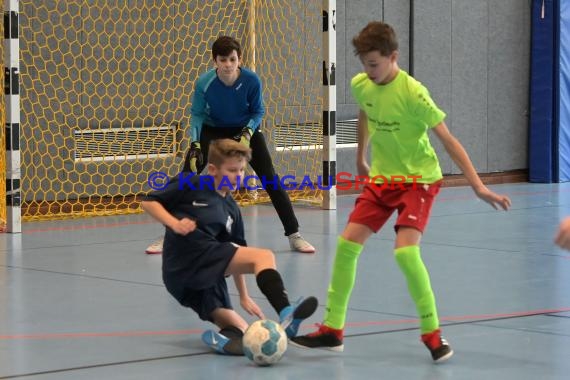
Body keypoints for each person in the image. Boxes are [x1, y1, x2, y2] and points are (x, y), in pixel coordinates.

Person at [290, 21, 512, 363]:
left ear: (393, 56)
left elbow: (449, 141)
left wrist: (479, 187)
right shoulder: (362, 84)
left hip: (418, 180)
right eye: (364, 64)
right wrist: (362, 155)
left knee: (405, 253)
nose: (369, 71)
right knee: (347, 246)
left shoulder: (414, 93)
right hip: (383, 179)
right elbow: (366, 110)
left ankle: (433, 333)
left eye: (375, 64)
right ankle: (333, 331)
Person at [141, 139, 318, 355]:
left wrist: (244, 296)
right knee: (264, 257)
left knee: (246, 333)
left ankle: (224, 340)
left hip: (200, 280)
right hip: (187, 260)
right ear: (213, 169)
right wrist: (174, 224)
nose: (239, 175)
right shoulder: (191, 183)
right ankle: (286, 312)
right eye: (232, 170)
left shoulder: (231, 209)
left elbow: (237, 252)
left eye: (242, 170)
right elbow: (148, 202)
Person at [145, 35, 314, 254]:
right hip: (212, 128)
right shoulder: (204, 82)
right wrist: (195, 143)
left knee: (270, 177)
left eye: (232, 60)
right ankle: (170, 232)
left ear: (239, 60)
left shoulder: (252, 81)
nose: (228, 65)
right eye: (223, 60)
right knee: (187, 176)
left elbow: (258, 111)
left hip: (244, 128)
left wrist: (248, 131)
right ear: (215, 61)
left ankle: (294, 235)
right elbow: (196, 114)